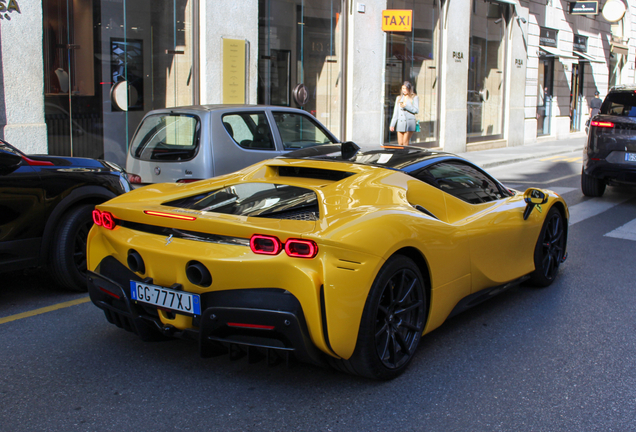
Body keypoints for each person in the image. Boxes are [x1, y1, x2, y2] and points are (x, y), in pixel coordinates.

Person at [390, 81, 419, 146]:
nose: (404, 90)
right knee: (400, 143)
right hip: (400, 122)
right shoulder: (399, 98)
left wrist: (406, 106)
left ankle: (406, 155)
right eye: (403, 88)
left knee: (405, 143)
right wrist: (392, 124)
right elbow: (395, 113)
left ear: (409, 89)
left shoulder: (414, 97)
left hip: (409, 123)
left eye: (406, 88)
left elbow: (416, 110)